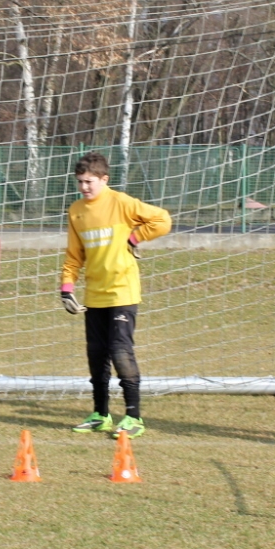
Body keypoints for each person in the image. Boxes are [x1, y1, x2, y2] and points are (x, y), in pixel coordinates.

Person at [60, 152, 171, 439]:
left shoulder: (121, 202)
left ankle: (134, 417)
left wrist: (134, 238)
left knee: (121, 352)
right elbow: (74, 255)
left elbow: (162, 220)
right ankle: (101, 414)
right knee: (97, 355)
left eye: (89, 181)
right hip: (94, 294)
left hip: (122, 291)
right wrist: (66, 288)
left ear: (104, 179)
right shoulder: (76, 211)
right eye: (80, 182)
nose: (85, 187)